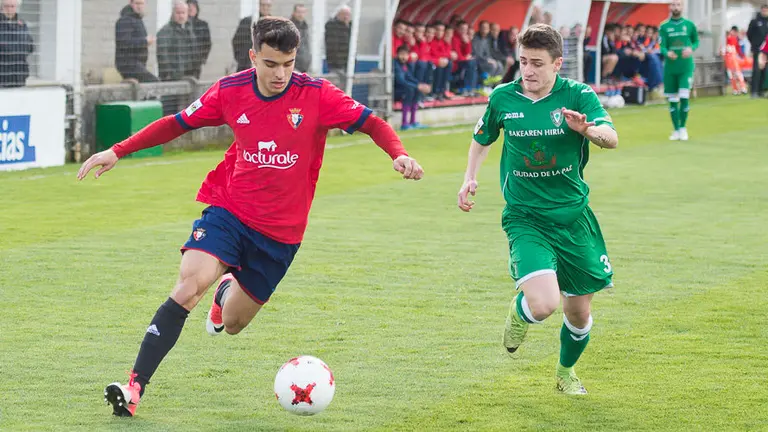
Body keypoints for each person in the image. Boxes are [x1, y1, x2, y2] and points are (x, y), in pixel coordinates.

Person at [77, 17, 424, 417]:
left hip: (281, 234)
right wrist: (118, 150)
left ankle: (225, 294)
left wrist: (398, 153)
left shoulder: (317, 94)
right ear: (253, 55)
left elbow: (372, 122)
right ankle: (134, 386)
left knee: (237, 323)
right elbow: (177, 124)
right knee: (189, 286)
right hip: (230, 209)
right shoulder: (230, 91)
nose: (281, 74)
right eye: (271, 63)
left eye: (289, 64)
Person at [457, 23, 618, 395]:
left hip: (574, 218)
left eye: (537, 64)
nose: (528, 71)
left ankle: (566, 373)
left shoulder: (578, 95)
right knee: (544, 304)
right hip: (526, 217)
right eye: (523, 62)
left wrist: (586, 131)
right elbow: (482, 139)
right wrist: (469, 177)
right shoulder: (503, 98)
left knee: (578, 315)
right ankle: (521, 312)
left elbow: (611, 137)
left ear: (558, 63)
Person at [659, 0, 698, 141]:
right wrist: (667, 53)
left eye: (678, 4)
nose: (675, 7)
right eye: (673, 4)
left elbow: (696, 41)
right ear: (670, 7)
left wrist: (691, 48)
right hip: (670, 68)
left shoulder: (689, 25)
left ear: (682, 7)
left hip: (685, 67)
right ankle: (675, 129)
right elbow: (662, 45)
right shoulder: (664, 26)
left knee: (684, 96)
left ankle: (683, 128)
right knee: (673, 99)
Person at [746, 4, 768, 97]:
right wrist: (755, 44)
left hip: (766, 50)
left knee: (764, 70)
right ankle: (754, 91)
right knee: (757, 70)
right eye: (763, 9)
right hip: (758, 49)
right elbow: (749, 34)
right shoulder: (755, 21)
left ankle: (761, 90)